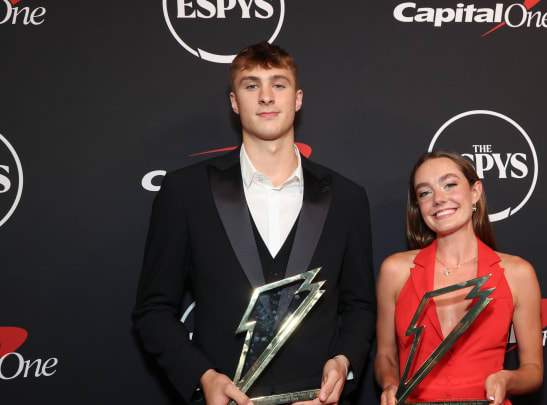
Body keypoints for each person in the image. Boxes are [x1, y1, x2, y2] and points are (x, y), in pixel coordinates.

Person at [132, 42, 376, 405]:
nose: (266, 96)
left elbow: (360, 306)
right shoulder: (185, 191)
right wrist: (204, 378)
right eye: (251, 85)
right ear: (234, 102)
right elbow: (153, 310)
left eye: (278, 84)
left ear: (297, 99)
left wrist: (343, 363)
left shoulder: (347, 198)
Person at [374, 150, 542, 405]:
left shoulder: (518, 273)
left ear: (475, 192)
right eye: (425, 192)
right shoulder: (395, 271)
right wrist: (390, 384)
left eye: (449, 185)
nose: (438, 199)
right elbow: (385, 355)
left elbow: (533, 370)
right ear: (418, 206)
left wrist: (506, 379)